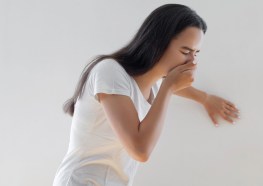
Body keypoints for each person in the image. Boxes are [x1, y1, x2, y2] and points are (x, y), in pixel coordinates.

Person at [53, 3, 240, 186]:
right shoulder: (109, 71)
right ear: (157, 43)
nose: (192, 61)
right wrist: (168, 87)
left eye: (196, 53)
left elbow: (178, 87)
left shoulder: (151, 85)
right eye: (186, 51)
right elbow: (140, 150)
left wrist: (205, 98)